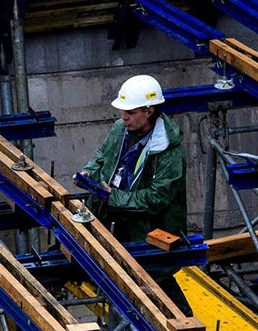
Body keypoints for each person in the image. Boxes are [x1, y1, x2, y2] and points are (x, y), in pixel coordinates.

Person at [74, 74, 190, 313]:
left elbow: (157, 198)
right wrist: (88, 172)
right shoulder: (121, 129)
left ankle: (183, 324)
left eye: (131, 112)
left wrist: (112, 197)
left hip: (149, 231)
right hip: (118, 218)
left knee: (156, 282)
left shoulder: (168, 151)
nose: (123, 117)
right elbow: (102, 156)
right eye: (123, 111)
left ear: (149, 111)